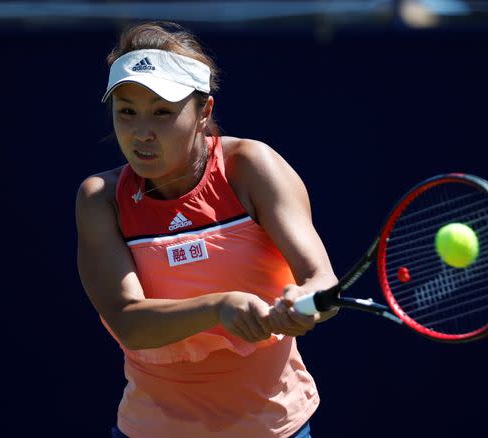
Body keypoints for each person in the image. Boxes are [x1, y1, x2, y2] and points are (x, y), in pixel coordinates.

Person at [76, 21, 338, 438]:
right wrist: (219, 307)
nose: (141, 132)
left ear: (204, 113)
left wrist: (305, 301)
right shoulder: (100, 198)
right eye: (127, 111)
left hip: (274, 429)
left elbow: (321, 279)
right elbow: (129, 322)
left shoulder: (251, 167)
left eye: (162, 112)